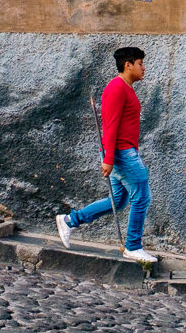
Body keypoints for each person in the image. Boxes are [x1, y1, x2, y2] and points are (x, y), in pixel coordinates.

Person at [55, 47, 157, 263]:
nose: (143, 68)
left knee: (118, 201)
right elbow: (110, 126)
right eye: (140, 63)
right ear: (128, 65)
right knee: (141, 198)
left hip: (123, 152)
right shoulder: (116, 88)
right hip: (122, 153)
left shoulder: (126, 88)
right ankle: (133, 246)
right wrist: (109, 158)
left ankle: (70, 220)